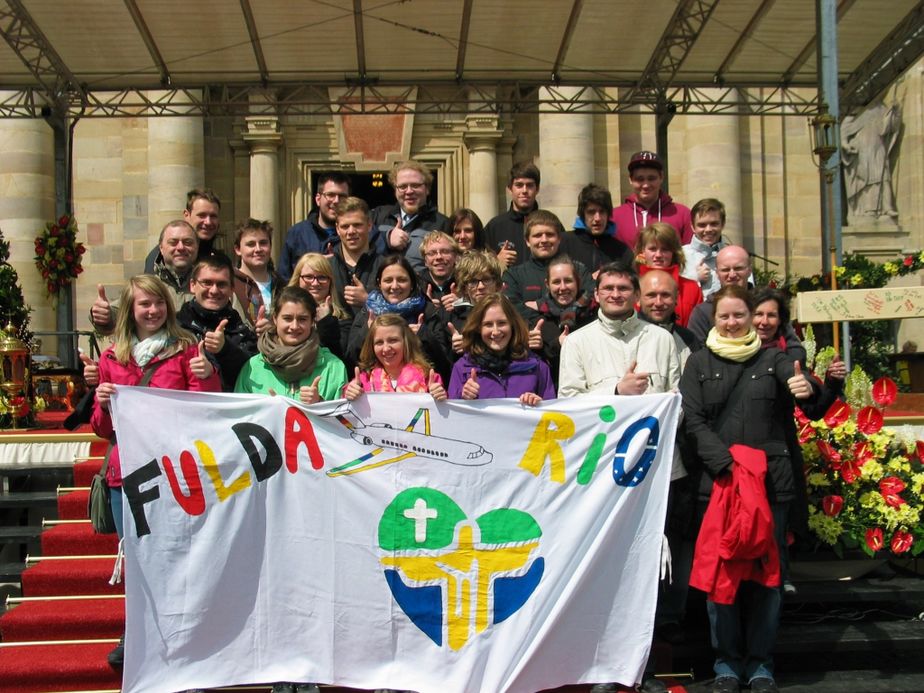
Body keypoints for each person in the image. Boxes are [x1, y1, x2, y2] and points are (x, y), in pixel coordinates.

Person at [681, 285, 821, 693]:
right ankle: (726, 663)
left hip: (769, 488)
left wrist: (808, 388)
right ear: (714, 318)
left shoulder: (775, 358)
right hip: (720, 485)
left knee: (766, 580)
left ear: (750, 317)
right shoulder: (697, 363)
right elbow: (692, 422)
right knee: (721, 578)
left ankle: (760, 664)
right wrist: (726, 465)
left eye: (739, 315)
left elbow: (805, 395)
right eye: (724, 316)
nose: (731, 322)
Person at [90, 274, 221, 669]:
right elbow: (103, 428)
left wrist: (207, 376)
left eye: (159, 302)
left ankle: (184, 633)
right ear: (131, 310)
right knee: (137, 555)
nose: (153, 310)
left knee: (178, 555)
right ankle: (136, 631)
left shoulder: (186, 351)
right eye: (145, 304)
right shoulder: (112, 356)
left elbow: (204, 411)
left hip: (173, 473)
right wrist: (100, 401)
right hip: (125, 474)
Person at [752, 287, 847, 594]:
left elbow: (813, 410)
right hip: (738, 455)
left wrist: (832, 383)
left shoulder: (790, 359)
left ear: (781, 322)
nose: (764, 321)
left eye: (771, 315)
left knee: (777, 525)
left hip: (778, 453)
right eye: (758, 314)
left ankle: (781, 578)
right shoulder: (723, 354)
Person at [346, 255, 452, 381]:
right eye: (388, 280)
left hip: (419, 390)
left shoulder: (428, 312)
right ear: (379, 283)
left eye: (401, 280)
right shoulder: (367, 313)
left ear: (412, 283)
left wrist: (423, 336)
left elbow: (444, 366)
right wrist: (366, 332)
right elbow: (351, 361)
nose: (395, 286)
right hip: (378, 391)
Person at [234, 286, 347, 403]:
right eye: (287, 318)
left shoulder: (333, 367)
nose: (294, 326)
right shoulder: (253, 368)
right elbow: (239, 415)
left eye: (302, 319)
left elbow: (345, 419)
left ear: (312, 322)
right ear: (275, 319)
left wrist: (319, 403)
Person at [92, 220, 199, 335]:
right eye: (173, 242)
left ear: (197, 247)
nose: (181, 247)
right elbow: (119, 312)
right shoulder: (146, 284)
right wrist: (104, 316)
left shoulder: (209, 284)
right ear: (161, 248)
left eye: (188, 242)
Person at [449, 293, 554, 405]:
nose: (496, 332)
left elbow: (553, 415)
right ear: (478, 328)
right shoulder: (462, 368)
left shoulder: (537, 367)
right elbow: (452, 416)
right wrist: (463, 397)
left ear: (512, 324)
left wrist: (540, 405)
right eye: (488, 324)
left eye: (502, 323)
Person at [177, 253, 258, 391]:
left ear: (232, 289)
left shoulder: (242, 331)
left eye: (221, 284)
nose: (214, 290)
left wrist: (224, 349)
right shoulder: (176, 326)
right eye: (207, 283)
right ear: (192, 285)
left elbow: (252, 375)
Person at [503, 209, 593, 315]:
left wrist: (542, 305)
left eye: (550, 234)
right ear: (527, 241)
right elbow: (513, 311)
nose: (544, 240)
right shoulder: (514, 276)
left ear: (559, 238)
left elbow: (591, 298)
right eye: (538, 235)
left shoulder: (578, 270)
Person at [528, 255, 597, 384]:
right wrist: (552, 346)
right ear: (547, 284)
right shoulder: (538, 320)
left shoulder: (595, 315)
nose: (563, 287)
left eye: (568, 280)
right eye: (556, 282)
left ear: (578, 281)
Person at [343, 313, 447, 399]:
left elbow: (444, 416)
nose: (386, 348)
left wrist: (440, 398)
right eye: (379, 342)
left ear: (406, 342)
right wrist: (349, 394)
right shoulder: (362, 381)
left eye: (393, 340)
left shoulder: (429, 378)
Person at [373, 160, 451, 272]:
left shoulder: (443, 224)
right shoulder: (378, 215)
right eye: (403, 186)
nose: (409, 191)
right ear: (395, 190)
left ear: (427, 189)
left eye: (415, 185)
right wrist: (386, 237)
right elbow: (355, 242)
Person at [278, 171, 352, 281]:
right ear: (318, 199)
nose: (336, 201)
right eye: (330, 195)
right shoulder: (297, 233)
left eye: (342, 196)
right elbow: (284, 279)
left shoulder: (357, 235)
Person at [612, 151, 693, 250]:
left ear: (661, 177)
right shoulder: (615, 217)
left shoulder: (682, 214)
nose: (646, 185)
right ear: (630, 180)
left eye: (651, 178)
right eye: (640, 179)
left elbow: (690, 256)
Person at [634, 222, 703, 327]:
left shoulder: (691, 288)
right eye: (652, 249)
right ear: (643, 251)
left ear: (674, 252)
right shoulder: (631, 286)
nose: (658, 255)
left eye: (665, 249)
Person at [329, 197, 383, 331]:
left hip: (375, 345)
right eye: (345, 226)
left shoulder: (386, 267)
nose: (351, 231)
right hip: (332, 346)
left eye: (357, 225)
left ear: (369, 225)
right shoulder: (325, 267)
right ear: (337, 229)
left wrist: (368, 300)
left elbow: (400, 310)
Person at [288, 252, 351, 360]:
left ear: (330, 282)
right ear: (298, 279)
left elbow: (337, 358)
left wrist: (326, 322)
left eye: (322, 277)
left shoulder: (343, 320)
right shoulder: (283, 313)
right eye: (308, 277)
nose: (315, 283)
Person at [143, 188, 221, 273]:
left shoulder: (217, 257)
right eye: (202, 215)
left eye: (213, 216)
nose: (208, 222)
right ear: (187, 215)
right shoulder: (162, 257)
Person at [561, 183, 633, 274]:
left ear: (608, 214)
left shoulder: (622, 251)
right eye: (591, 212)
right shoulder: (564, 242)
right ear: (583, 214)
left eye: (602, 212)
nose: (597, 218)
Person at [687, 245, 753, 344]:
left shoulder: (764, 306)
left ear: (749, 270)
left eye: (738, 268)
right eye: (725, 270)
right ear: (717, 273)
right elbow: (697, 352)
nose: (732, 275)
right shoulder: (703, 313)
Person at [447, 250, 505, 355]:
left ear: (497, 284)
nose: (481, 287)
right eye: (473, 282)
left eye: (486, 279)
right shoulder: (452, 319)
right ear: (464, 288)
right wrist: (454, 350)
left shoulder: (512, 314)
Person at [484, 162, 541, 268]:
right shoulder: (495, 226)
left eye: (529, 185)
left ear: (537, 189)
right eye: (519, 185)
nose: (524, 191)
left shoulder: (549, 224)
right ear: (510, 189)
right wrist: (496, 260)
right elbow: (477, 264)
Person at [638, 269, 698, 367]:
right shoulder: (625, 337)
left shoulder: (688, 339)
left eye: (665, 295)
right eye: (651, 295)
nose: (658, 303)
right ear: (638, 298)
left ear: (676, 298)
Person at [232, 218, 282, 327]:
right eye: (251, 244)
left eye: (263, 243)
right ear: (238, 249)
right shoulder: (229, 284)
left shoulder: (282, 285)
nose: (258, 249)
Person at [681, 198, 730, 298]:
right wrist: (694, 278)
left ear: (723, 224)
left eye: (714, 224)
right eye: (702, 225)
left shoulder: (734, 255)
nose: (708, 230)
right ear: (692, 227)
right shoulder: (680, 255)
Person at [418, 231, 460, 312]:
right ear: (425, 261)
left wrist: (461, 304)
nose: (439, 257)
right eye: (432, 253)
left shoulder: (467, 282)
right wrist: (424, 306)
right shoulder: (416, 285)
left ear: (455, 257)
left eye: (445, 251)